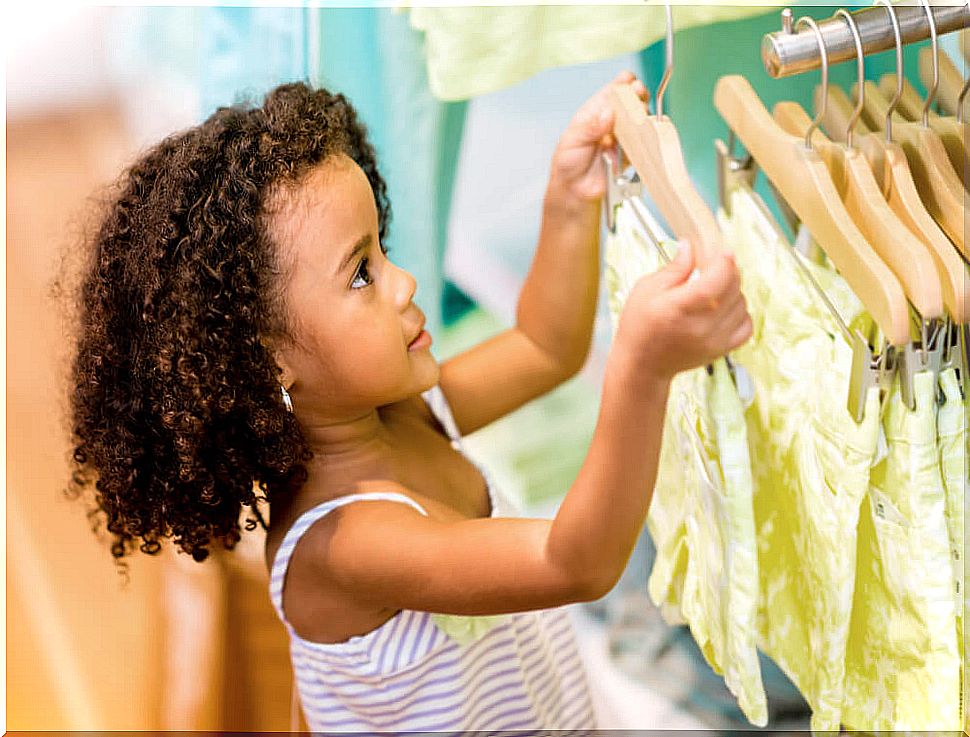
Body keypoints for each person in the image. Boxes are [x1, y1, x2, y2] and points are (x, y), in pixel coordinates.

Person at [64, 70, 751, 730]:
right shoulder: (345, 544)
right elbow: (578, 562)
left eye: (383, 248)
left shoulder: (399, 415)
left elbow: (547, 346)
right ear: (267, 356)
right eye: (361, 273)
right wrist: (642, 366)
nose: (405, 282)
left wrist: (570, 194)